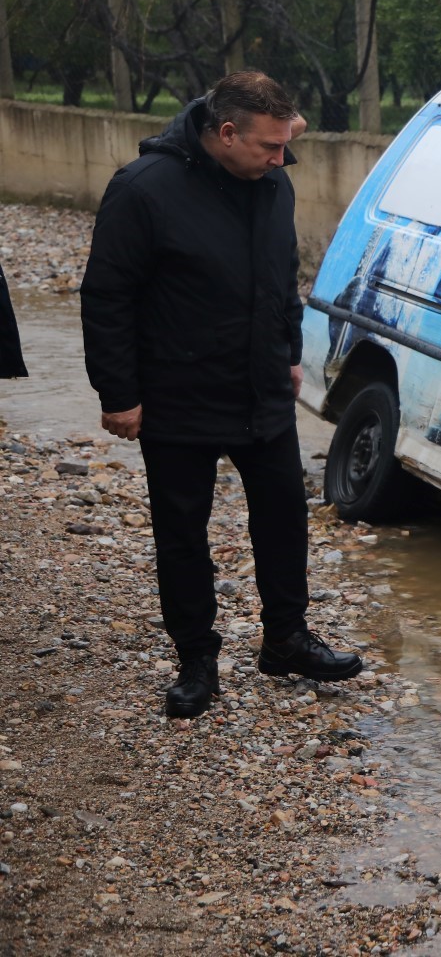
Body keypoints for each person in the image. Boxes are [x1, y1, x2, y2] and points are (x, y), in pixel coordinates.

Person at [80, 70, 362, 721]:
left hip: (260, 388)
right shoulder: (143, 191)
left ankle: (286, 640)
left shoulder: (272, 185)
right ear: (225, 133)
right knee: (183, 532)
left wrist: (290, 354)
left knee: (285, 516)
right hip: (177, 394)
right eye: (268, 146)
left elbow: (282, 272)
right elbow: (107, 297)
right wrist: (118, 393)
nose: (280, 158)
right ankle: (196, 658)